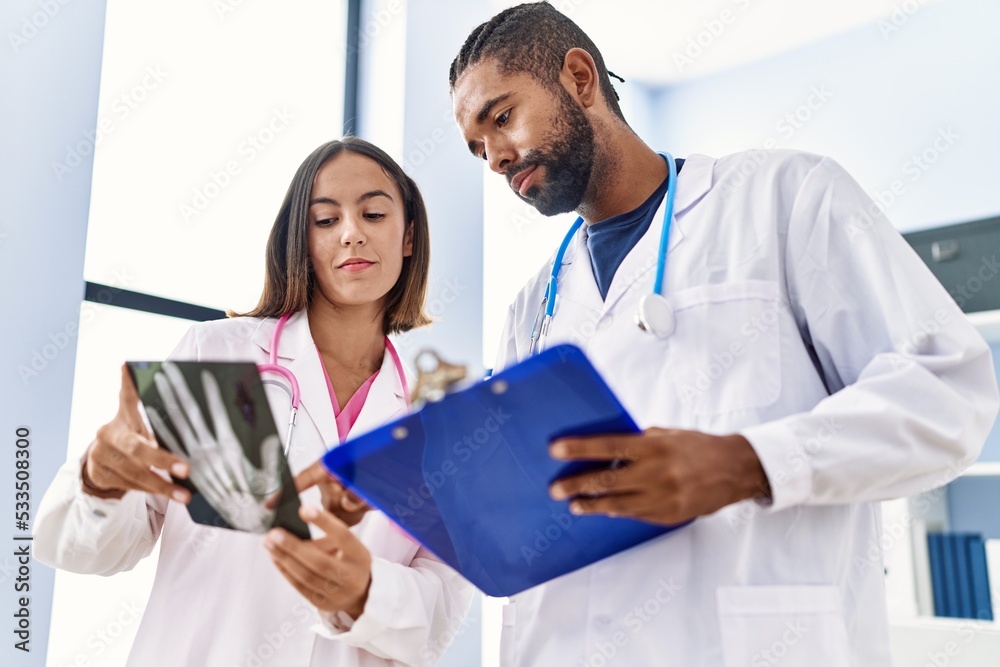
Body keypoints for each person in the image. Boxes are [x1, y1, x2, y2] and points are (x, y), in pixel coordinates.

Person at [449, 3, 999, 665]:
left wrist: (744, 462)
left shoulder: (784, 198)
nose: (495, 157)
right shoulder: (534, 303)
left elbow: (946, 390)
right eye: (477, 146)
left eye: (502, 118)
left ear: (579, 77)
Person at [34, 137, 474, 667]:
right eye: (325, 221)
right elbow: (89, 551)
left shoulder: (439, 419)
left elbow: (442, 610)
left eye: (374, 213)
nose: (353, 233)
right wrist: (100, 483)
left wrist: (363, 592)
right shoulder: (218, 356)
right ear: (300, 241)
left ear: (408, 237)